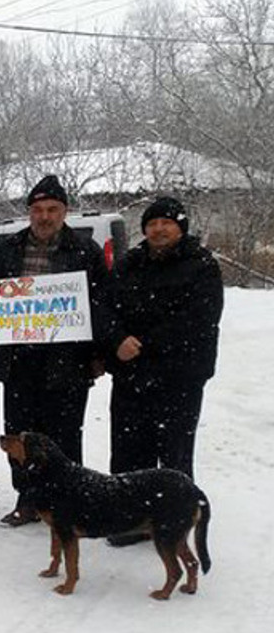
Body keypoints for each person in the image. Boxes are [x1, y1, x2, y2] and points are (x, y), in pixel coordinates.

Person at [0, 175, 110, 528]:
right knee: (20, 435)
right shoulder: (8, 249)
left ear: (65, 211)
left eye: (52, 209)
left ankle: (69, 502)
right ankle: (28, 501)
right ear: (29, 213)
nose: (45, 216)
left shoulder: (85, 251)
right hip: (19, 359)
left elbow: (102, 304)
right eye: (37, 209)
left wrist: (99, 354)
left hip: (68, 361)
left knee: (65, 436)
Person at [105, 197, 223, 546]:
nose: (158, 229)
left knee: (174, 453)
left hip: (180, 376)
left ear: (180, 227)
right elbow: (106, 307)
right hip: (131, 375)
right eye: (152, 223)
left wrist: (141, 342)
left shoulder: (201, 264)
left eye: (166, 223)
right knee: (128, 451)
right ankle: (129, 521)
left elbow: (199, 320)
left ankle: (173, 520)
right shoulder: (129, 264)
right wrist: (115, 339)